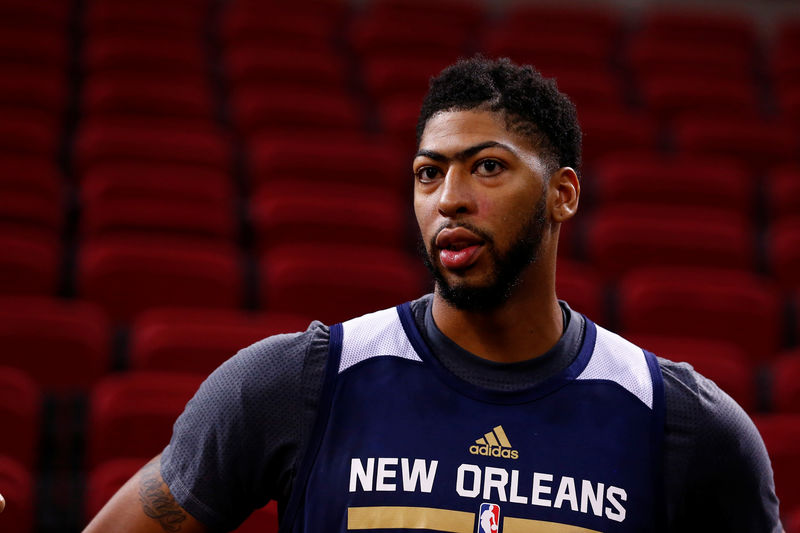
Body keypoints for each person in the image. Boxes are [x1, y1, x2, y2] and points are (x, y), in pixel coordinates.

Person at [84, 57, 781, 532]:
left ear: (562, 193)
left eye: (486, 168)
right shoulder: (296, 380)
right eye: (428, 173)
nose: (450, 199)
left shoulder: (679, 420)